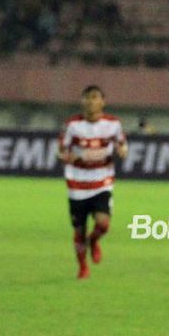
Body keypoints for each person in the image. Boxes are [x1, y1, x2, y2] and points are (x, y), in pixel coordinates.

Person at [58, 85, 128, 279]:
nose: (91, 101)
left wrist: (123, 150)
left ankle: (94, 240)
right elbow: (62, 149)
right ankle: (82, 267)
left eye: (95, 97)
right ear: (82, 101)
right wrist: (67, 156)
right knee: (78, 229)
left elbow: (121, 143)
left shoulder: (113, 124)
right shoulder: (72, 125)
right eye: (87, 98)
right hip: (77, 183)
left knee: (103, 224)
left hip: (101, 181)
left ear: (103, 101)